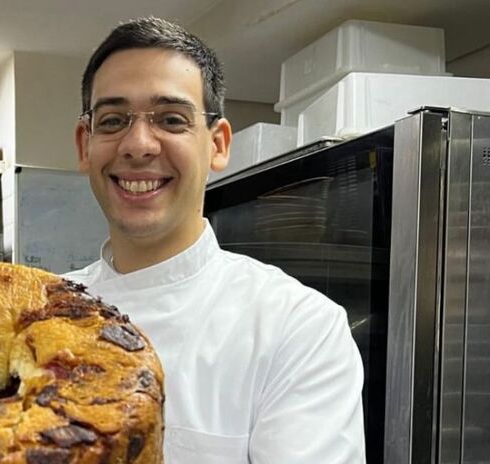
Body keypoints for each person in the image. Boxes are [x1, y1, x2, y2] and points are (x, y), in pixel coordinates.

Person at [65, 17, 366, 463]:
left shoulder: (296, 327)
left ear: (218, 144)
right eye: (113, 120)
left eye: (171, 119)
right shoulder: (39, 311)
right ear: (85, 146)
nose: (139, 144)